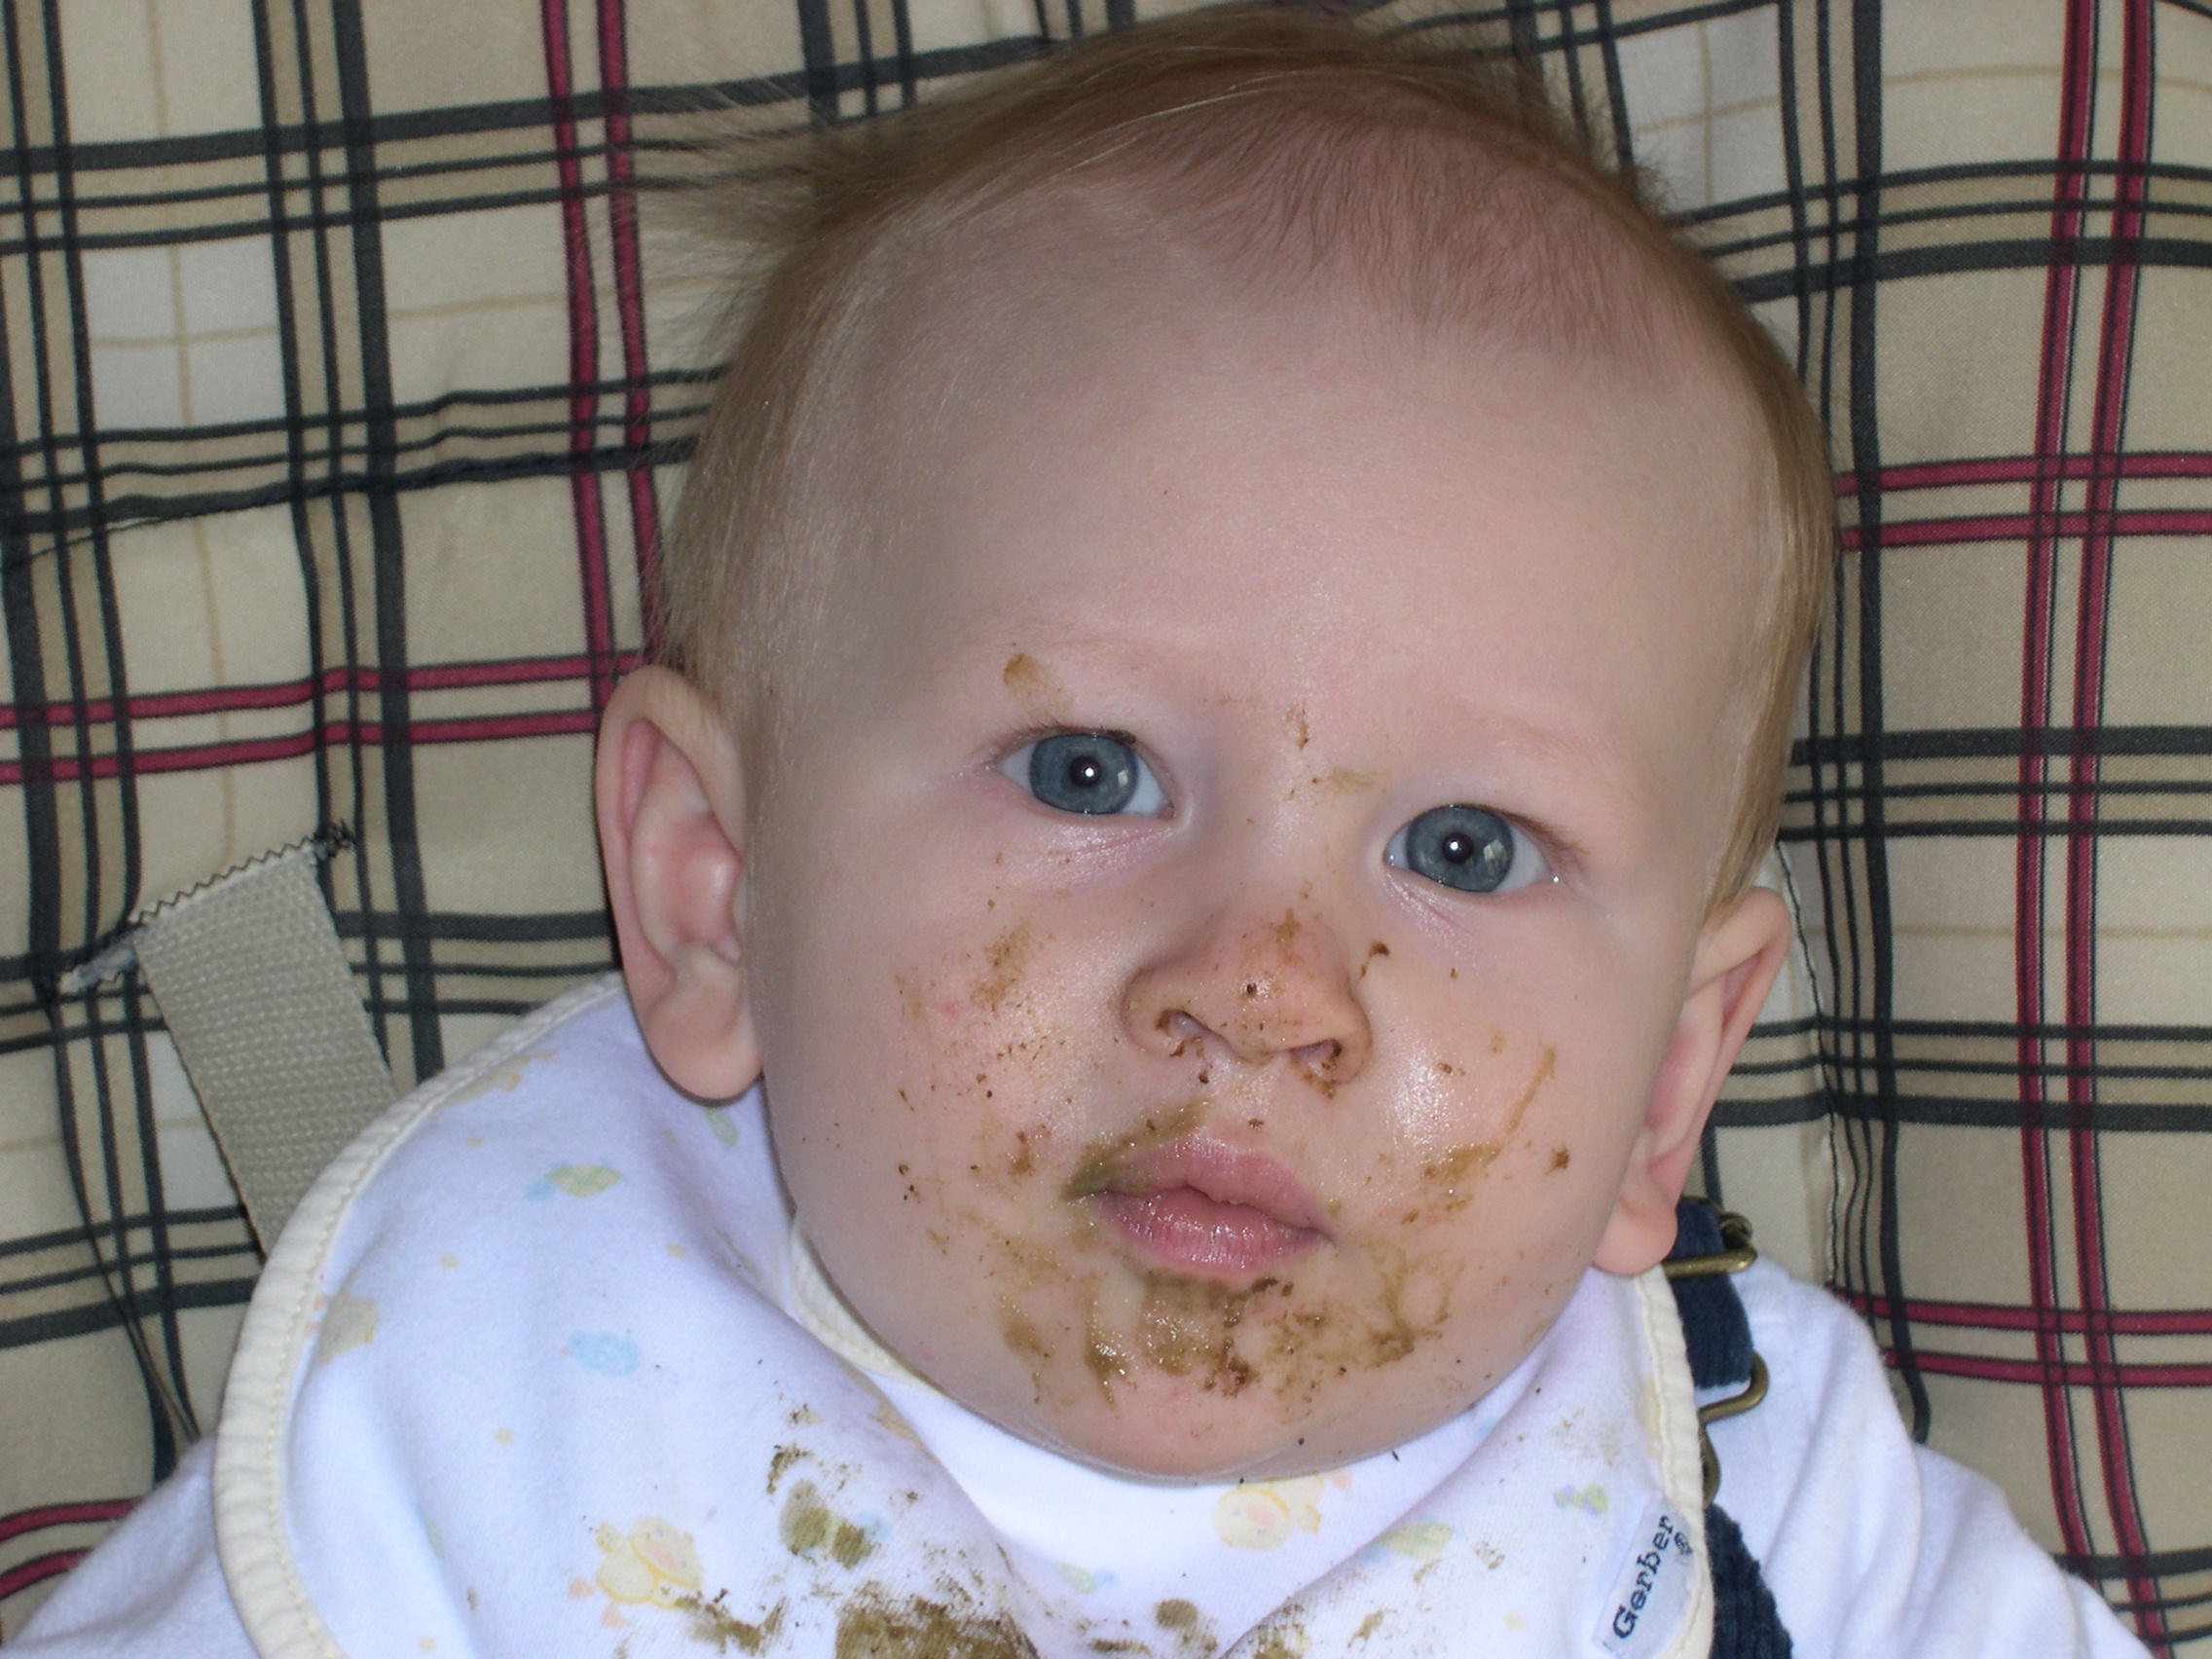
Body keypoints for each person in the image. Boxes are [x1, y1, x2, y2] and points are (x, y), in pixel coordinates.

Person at [18, 9, 2148, 1656]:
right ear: (710, 889)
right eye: (1089, 774)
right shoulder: (488, 1416)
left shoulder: (1748, 1483)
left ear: (1670, 1077)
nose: (1261, 986)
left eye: (1468, 849)